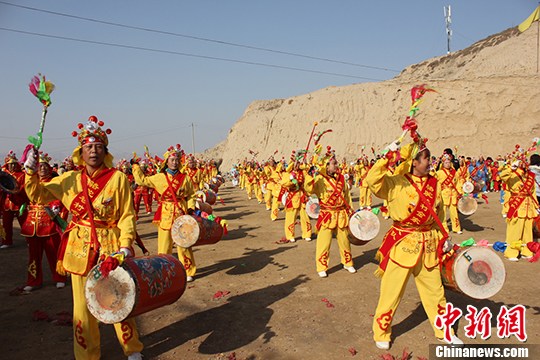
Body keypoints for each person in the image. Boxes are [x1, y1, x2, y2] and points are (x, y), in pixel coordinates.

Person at [24, 115, 143, 360]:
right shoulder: (69, 180)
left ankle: (132, 349)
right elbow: (38, 195)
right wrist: (29, 170)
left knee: (118, 299)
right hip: (79, 247)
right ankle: (87, 355)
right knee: (82, 308)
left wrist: (125, 245)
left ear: (105, 151)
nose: (93, 151)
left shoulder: (118, 179)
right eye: (88, 146)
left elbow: (127, 216)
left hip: (110, 247)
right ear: (81, 151)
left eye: (99, 146)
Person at [366, 138, 463, 350]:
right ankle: (381, 331)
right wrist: (388, 157)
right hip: (403, 244)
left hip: (428, 245)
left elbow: (439, 215)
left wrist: (442, 239)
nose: (430, 162)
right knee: (391, 292)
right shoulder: (396, 182)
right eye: (426, 158)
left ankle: (444, 330)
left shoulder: (434, 184)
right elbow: (372, 179)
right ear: (414, 162)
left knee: (435, 291)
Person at [132, 145, 197, 281]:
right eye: (171, 159)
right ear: (166, 161)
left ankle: (188, 270)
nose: (174, 162)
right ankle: (164, 270)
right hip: (165, 214)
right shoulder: (159, 177)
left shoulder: (185, 178)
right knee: (164, 245)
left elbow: (191, 195)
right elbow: (142, 180)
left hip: (181, 212)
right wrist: (136, 167)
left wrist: (190, 207)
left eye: (176, 160)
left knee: (183, 244)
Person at [304, 146, 355, 277]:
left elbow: (347, 196)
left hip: (341, 214)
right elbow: (309, 189)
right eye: (334, 163)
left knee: (345, 241)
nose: (337, 165)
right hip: (327, 215)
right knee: (324, 243)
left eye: (336, 163)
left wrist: (351, 210)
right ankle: (322, 266)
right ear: (326, 166)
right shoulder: (320, 179)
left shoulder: (342, 179)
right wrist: (309, 174)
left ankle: (347, 263)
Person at [19, 151, 67, 291]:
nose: (43, 169)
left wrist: (56, 207)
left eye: (45, 166)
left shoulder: (54, 183)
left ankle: (60, 277)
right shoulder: (30, 182)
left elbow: (59, 198)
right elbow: (20, 196)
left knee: (53, 253)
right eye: (40, 166)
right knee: (33, 256)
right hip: (32, 224)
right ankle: (33, 280)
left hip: (49, 222)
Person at [499, 155, 539, 261]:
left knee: (527, 232)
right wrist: (511, 168)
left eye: (525, 161)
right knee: (515, 230)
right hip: (517, 205)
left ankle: (526, 250)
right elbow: (502, 176)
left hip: (528, 206)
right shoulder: (512, 175)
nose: (524, 164)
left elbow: (533, 192)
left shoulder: (530, 176)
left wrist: (536, 205)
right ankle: (512, 252)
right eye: (521, 162)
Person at [280, 154, 312, 242]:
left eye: (298, 163)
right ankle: (290, 235)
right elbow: (283, 183)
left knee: (305, 216)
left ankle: (307, 234)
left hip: (301, 195)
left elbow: (308, 181)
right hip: (292, 196)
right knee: (290, 217)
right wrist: (291, 179)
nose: (296, 165)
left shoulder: (303, 172)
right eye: (295, 163)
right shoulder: (288, 173)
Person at [1, 151, 27, 248]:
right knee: (6, 224)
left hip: (19, 203)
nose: (12, 166)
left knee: (24, 223)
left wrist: (18, 191)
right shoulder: (3, 175)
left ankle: (29, 240)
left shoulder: (21, 175)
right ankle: (6, 242)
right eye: (10, 164)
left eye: (14, 164)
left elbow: (25, 188)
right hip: (7, 204)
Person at [436, 154, 463, 234]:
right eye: (446, 163)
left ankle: (457, 228)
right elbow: (436, 184)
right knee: (442, 214)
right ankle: (444, 229)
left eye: (448, 162)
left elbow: (458, 183)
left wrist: (460, 192)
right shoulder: (439, 173)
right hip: (444, 195)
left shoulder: (454, 173)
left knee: (454, 213)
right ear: (443, 164)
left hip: (453, 195)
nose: (447, 164)